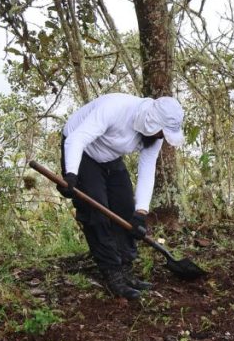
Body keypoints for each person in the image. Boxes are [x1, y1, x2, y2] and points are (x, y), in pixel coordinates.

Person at [58, 93, 185, 300]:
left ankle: (126, 269)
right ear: (151, 122)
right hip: (83, 152)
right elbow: (77, 139)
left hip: (111, 157)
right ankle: (112, 273)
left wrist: (141, 212)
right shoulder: (115, 108)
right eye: (161, 132)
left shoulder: (155, 136)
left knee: (126, 209)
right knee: (96, 213)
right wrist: (71, 174)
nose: (162, 137)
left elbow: (147, 169)